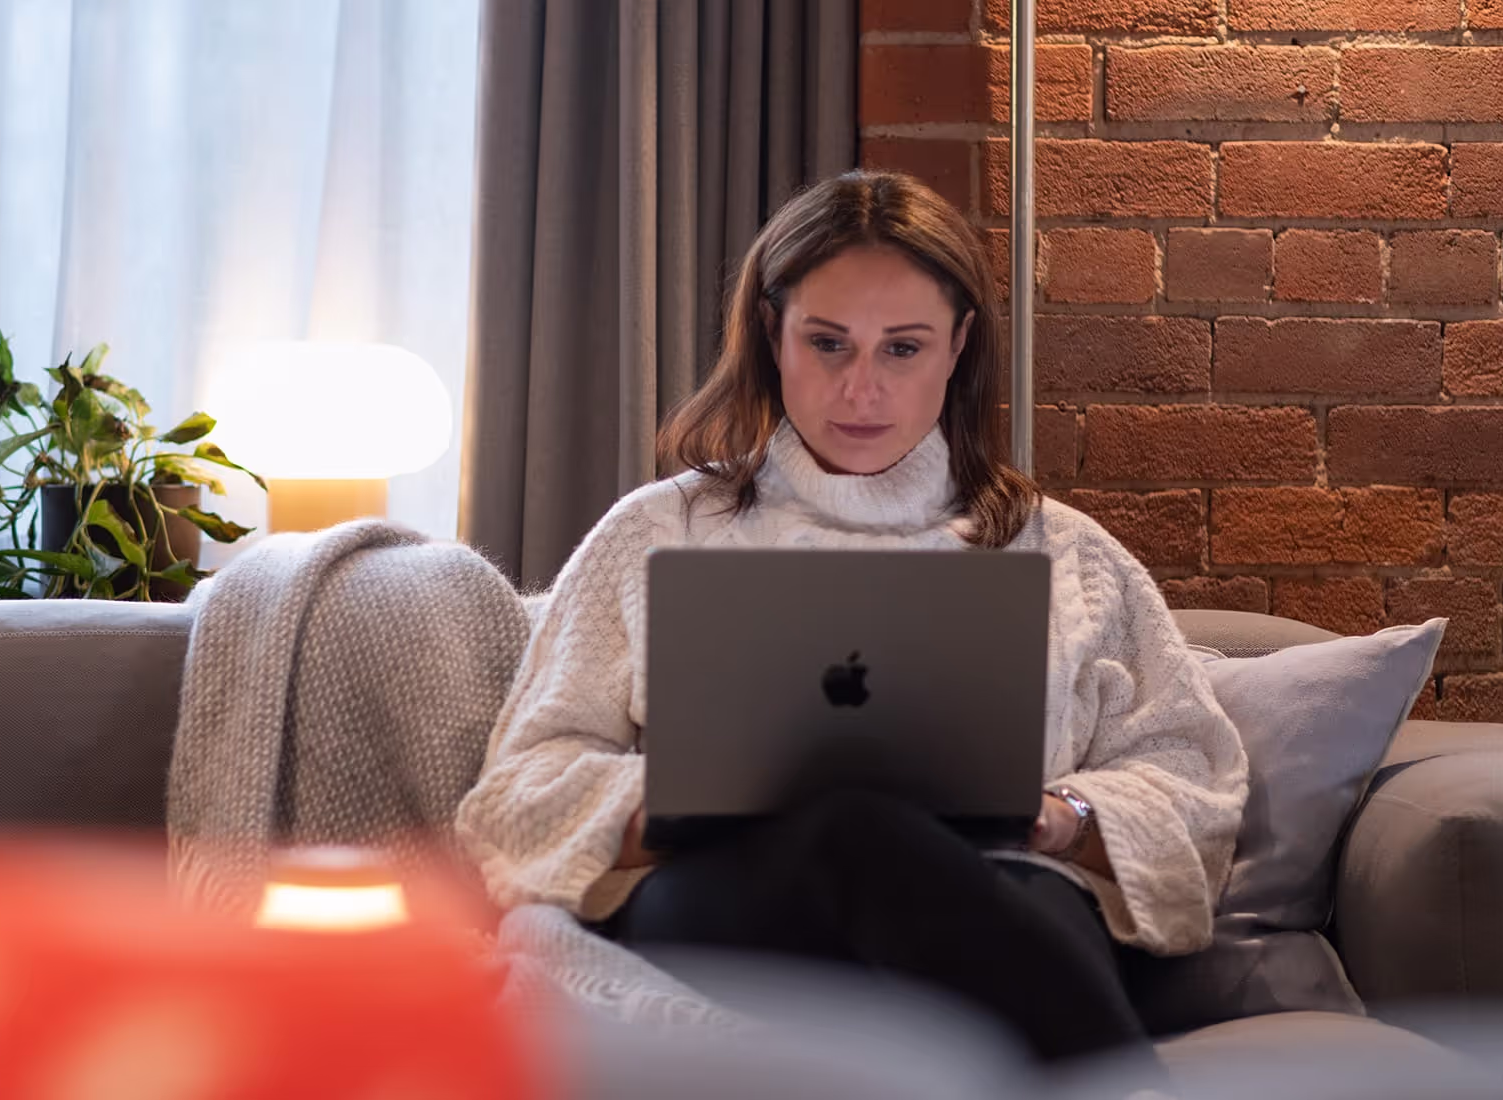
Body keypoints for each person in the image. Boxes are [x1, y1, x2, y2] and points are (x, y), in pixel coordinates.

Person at [454, 170, 1248, 1067]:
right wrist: (688, 799)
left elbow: (1196, 782)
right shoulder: (655, 533)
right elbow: (518, 791)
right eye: (827, 343)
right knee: (850, 827)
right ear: (771, 333)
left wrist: (1061, 814)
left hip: (1002, 894)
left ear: (958, 347)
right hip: (723, 895)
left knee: (908, 849)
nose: (860, 389)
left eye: (902, 349)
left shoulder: (1060, 552)